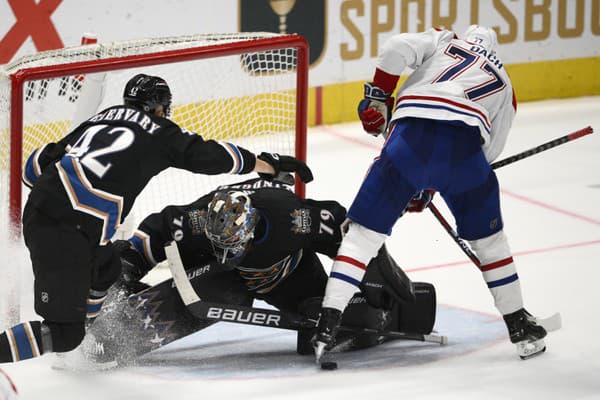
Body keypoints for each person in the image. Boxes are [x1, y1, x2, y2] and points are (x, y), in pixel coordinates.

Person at [0, 74, 313, 364]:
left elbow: (33, 169)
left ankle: (88, 324)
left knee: (106, 269)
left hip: (58, 214)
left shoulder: (103, 117)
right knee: (64, 335)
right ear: (160, 108)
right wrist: (267, 165)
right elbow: (210, 155)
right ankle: (76, 332)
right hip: (67, 229)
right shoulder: (160, 132)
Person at [312, 25, 548, 361]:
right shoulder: (505, 82)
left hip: (409, 138)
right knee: (491, 243)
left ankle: (327, 323)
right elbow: (489, 152)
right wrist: (441, 180)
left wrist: (379, 97)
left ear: (467, 36)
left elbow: (396, 47)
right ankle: (520, 327)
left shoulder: (446, 39)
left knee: (362, 237)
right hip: (465, 154)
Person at [67, 178, 435, 366]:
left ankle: (385, 318)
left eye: (234, 244)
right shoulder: (201, 218)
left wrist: (374, 278)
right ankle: (116, 325)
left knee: (319, 327)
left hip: (291, 275)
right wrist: (129, 267)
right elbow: (158, 227)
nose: (228, 249)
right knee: (193, 282)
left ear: (252, 227)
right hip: (227, 277)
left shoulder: (294, 220)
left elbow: (348, 231)